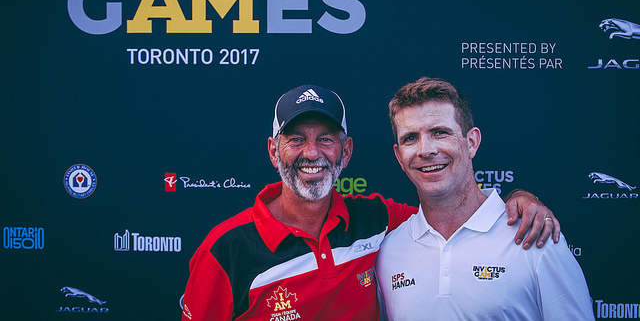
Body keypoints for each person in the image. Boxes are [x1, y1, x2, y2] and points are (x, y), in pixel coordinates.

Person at [182, 84, 560, 321]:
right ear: (273, 151)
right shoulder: (226, 249)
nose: (311, 153)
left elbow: (453, 214)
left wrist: (518, 200)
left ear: (346, 151)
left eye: (326, 139)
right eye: (295, 139)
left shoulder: (377, 220)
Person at [375, 77, 594, 320]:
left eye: (439, 132)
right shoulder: (388, 251)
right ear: (399, 156)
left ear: (471, 142)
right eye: (410, 138)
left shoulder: (535, 236)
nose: (426, 150)